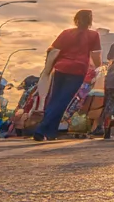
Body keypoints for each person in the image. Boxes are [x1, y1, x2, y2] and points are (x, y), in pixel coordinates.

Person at [35, 10, 102, 142]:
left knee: (55, 99)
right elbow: (95, 55)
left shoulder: (66, 33)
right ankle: (41, 129)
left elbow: (52, 49)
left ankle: (51, 132)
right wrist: (99, 68)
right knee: (63, 100)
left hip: (61, 68)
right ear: (90, 21)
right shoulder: (93, 35)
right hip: (78, 70)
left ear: (76, 19)